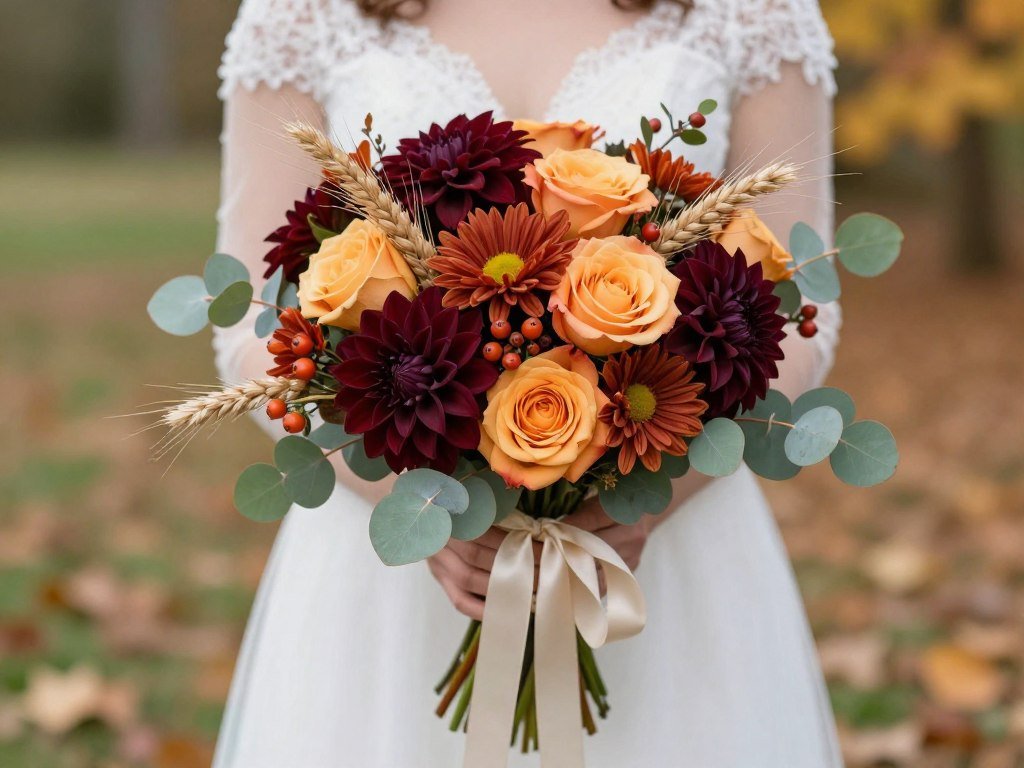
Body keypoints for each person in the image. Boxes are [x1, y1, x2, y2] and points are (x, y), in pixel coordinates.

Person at [211, 0, 844, 765]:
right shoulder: (300, 15)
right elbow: (254, 326)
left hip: (664, 547)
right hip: (390, 553)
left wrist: (640, 503)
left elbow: (801, 310)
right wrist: (421, 510)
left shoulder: (756, 13)